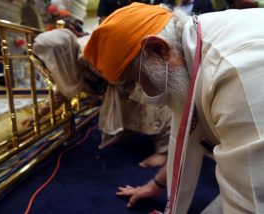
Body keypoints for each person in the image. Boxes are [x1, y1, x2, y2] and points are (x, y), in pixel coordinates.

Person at [83, 2, 264, 213]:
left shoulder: (235, 74)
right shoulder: (190, 43)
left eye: (136, 81)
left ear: (158, 49)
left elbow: (253, 195)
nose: (143, 95)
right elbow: (187, 134)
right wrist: (157, 184)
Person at [25, 28, 172, 168]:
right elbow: (61, 91)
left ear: (58, 55)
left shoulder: (89, 55)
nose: (49, 67)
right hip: (120, 83)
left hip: (139, 77)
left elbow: (132, 78)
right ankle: (127, 131)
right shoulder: (68, 55)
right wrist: (38, 114)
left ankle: (163, 151)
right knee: (123, 105)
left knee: (148, 105)